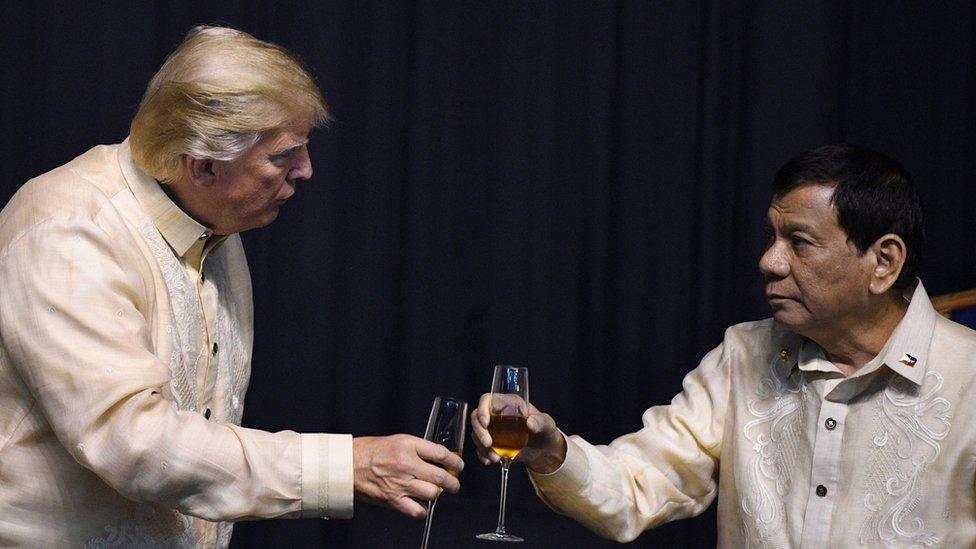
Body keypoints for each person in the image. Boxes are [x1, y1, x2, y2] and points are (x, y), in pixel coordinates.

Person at [0, 26, 461, 547]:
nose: (306, 171)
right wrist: (344, 467)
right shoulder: (67, 229)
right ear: (202, 164)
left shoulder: (211, 221)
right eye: (284, 155)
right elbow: (133, 443)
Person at [472, 144, 976, 546]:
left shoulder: (968, 379)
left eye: (799, 242)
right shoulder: (744, 355)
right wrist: (549, 450)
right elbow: (639, 484)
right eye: (771, 237)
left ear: (883, 262)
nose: (770, 262)